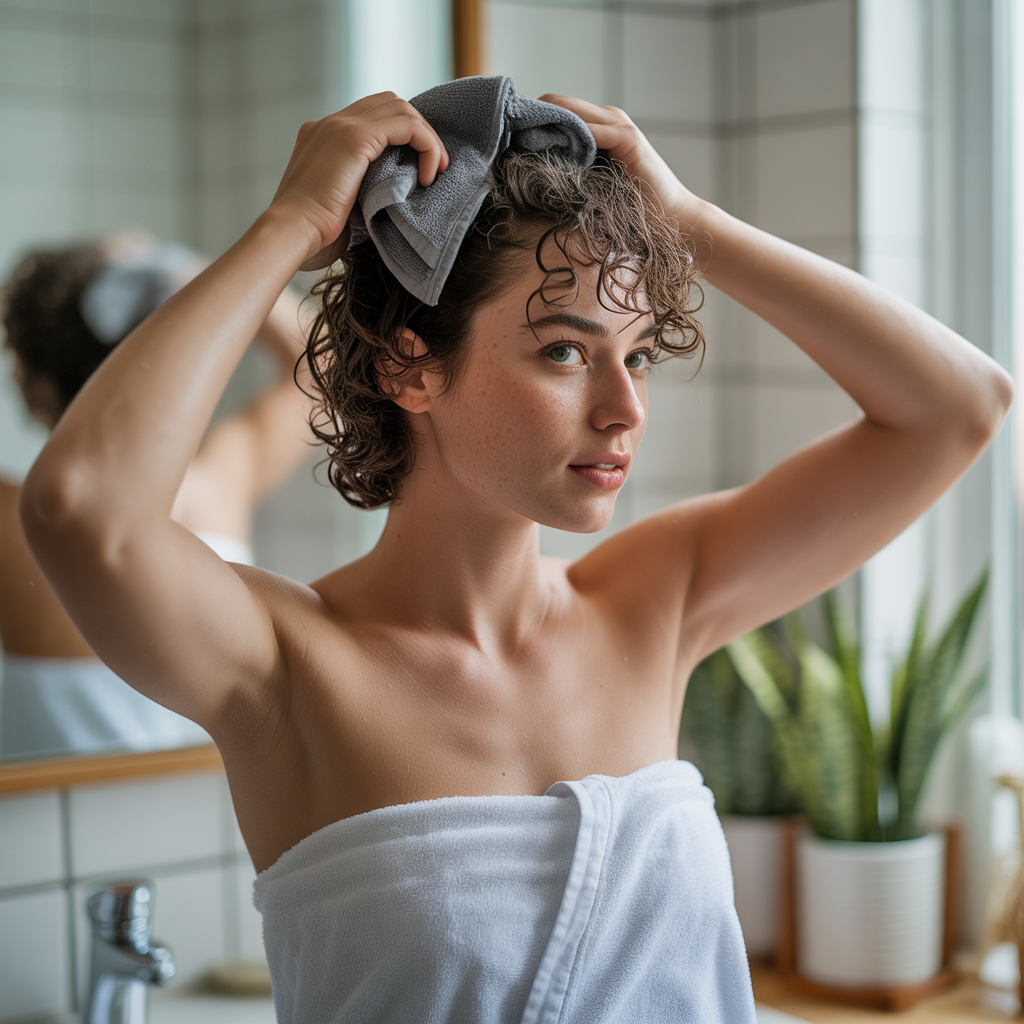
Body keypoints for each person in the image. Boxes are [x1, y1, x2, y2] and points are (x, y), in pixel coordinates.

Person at [19, 88, 1012, 1022]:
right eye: (564, 351)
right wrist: (289, 228)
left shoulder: (653, 598)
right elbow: (80, 509)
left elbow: (961, 406)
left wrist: (689, 223)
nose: (625, 409)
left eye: (640, 355)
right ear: (411, 361)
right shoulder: (287, 664)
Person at [0, 234, 312, 756]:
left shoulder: (12, 519)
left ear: (29, 381)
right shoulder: (219, 481)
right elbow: (317, 365)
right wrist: (201, 274)